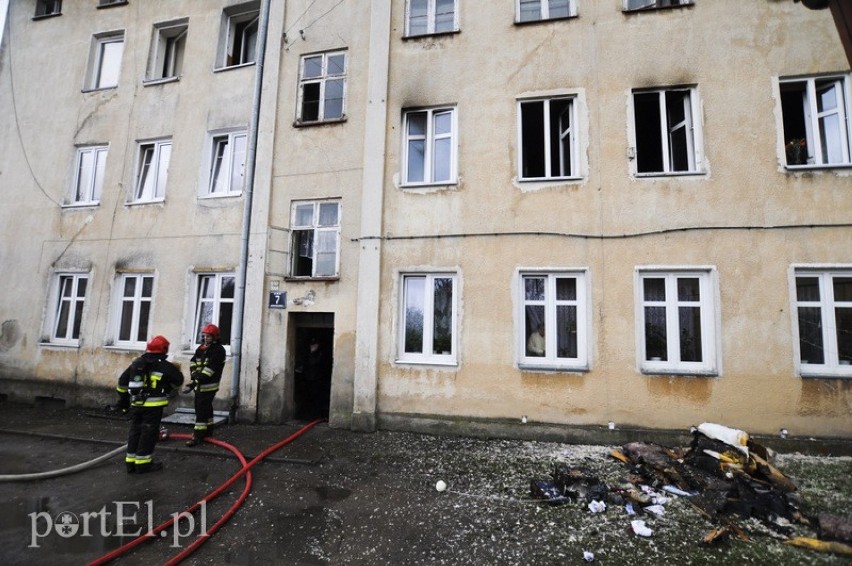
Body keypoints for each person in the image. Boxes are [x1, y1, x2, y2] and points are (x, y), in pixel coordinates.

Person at [116, 335, 184, 474]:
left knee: (135, 431)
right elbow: (178, 380)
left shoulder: (137, 363)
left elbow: (122, 382)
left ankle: (130, 462)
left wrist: (123, 402)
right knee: (148, 433)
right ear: (164, 349)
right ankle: (143, 464)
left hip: (137, 405)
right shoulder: (165, 365)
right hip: (153, 407)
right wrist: (167, 386)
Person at [184, 324, 227, 447]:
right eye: (204, 335)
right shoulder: (201, 348)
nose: (206, 338)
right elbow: (193, 361)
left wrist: (197, 378)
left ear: (215, 337)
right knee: (206, 409)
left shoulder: (218, 350)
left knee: (201, 410)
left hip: (209, 385)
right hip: (199, 384)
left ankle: (198, 436)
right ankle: (208, 432)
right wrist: (194, 373)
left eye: (208, 336)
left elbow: (210, 369)